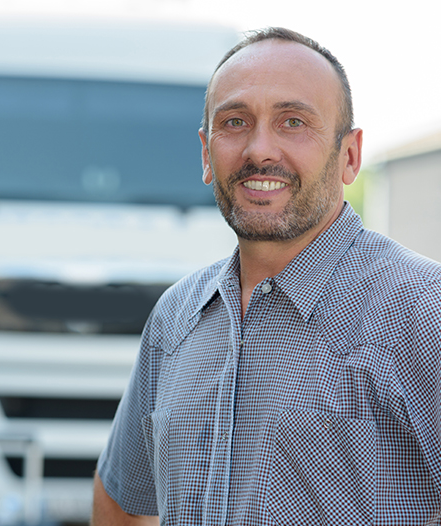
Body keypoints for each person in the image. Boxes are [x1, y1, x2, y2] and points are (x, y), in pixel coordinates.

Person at [91, 27, 441, 526]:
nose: (260, 150)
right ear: (206, 153)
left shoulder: (424, 313)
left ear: (350, 155)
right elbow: (122, 502)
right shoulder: (175, 318)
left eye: (293, 122)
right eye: (234, 122)